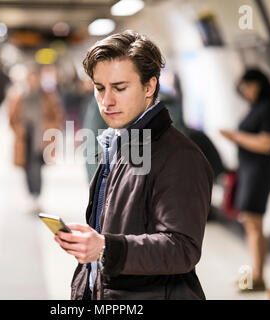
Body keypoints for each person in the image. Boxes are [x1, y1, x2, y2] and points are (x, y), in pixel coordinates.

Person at [54, 30, 213, 300]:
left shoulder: (179, 156)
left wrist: (105, 248)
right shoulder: (118, 145)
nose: (107, 102)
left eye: (120, 88)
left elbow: (182, 248)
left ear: (149, 87)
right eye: (99, 88)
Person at [220, 68, 270, 291]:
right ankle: (256, 273)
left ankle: (257, 275)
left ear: (258, 84)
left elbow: (266, 143)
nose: (245, 90)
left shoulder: (269, 109)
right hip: (249, 170)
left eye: (248, 85)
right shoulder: (256, 107)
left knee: (254, 223)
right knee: (252, 223)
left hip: (259, 171)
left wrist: (234, 136)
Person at [7, 65, 64, 213]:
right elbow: (12, 119)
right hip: (25, 140)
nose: (32, 82)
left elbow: (57, 116)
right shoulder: (19, 97)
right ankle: (32, 197)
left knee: (36, 169)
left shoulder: (47, 96)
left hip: (41, 141)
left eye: (35, 79)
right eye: (30, 79)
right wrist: (20, 130)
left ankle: (36, 197)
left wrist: (49, 129)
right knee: (27, 169)